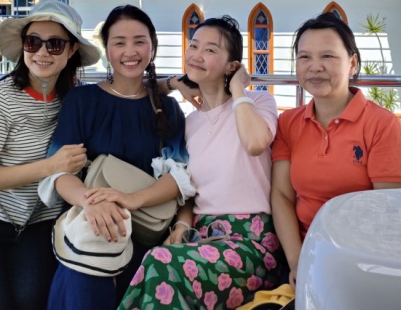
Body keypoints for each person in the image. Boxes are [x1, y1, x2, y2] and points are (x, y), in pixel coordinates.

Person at [119, 16, 283, 310]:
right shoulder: (189, 123)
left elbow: (255, 143)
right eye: (193, 45)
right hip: (201, 237)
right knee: (155, 261)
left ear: (232, 66)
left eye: (210, 50)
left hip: (251, 245)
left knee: (160, 263)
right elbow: (188, 188)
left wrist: (237, 91)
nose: (196, 54)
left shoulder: (257, 103)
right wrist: (182, 224)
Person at [0, 0, 102, 310]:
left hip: (38, 227)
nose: (42, 52)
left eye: (55, 44)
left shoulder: (74, 100)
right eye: (34, 42)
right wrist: (51, 166)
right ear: (23, 47)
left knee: (31, 301)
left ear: (72, 51)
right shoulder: (0, 98)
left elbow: (117, 94)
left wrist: (164, 86)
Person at [41, 5, 192, 310]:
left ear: (152, 47)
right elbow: (59, 172)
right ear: (107, 51)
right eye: (119, 42)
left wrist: (129, 199)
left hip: (147, 235)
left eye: (139, 41)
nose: (130, 51)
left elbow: (180, 178)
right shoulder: (83, 100)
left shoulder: (168, 108)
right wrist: (91, 201)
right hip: (95, 230)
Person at [270, 12, 401, 287]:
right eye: (304, 57)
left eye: (327, 56)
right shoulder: (288, 123)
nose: (315, 67)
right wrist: (298, 262)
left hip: (361, 258)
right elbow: (281, 195)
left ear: (352, 63)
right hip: (300, 253)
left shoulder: (383, 126)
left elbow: (389, 214)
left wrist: (337, 265)